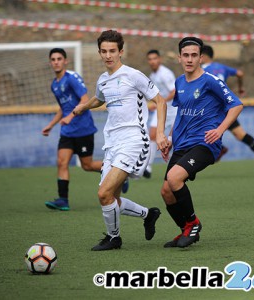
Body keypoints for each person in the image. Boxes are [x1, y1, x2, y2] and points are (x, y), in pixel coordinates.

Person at [72, 30, 169, 251]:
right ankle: (148, 214)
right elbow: (99, 98)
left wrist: (161, 133)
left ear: (121, 52)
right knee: (111, 199)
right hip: (112, 143)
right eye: (104, 51)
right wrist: (84, 106)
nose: (108, 55)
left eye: (112, 51)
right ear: (99, 53)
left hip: (134, 140)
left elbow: (160, 101)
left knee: (103, 193)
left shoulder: (133, 75)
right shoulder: (103, 80)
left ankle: (113, 238)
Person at [160, 37, 243, 248]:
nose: (189, 59)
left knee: (174, 177)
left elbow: (236, 105)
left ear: (201, 58)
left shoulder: (210, 80)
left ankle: (193, 223)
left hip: (205, 144)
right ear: (179, 58)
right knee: (167, 191)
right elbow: (180, 115)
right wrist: (170, 138)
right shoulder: (179, 82)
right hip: (181, 143)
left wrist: (220, 129)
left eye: (194, 55)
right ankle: (185, 230)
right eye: (185, 55)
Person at [42, 48, 104, 211]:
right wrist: (51, 124)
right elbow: (63, 108)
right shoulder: (54, 85)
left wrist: (70, 117)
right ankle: (63, 200)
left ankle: (116, 173)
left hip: (83, 129)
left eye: (59, 59)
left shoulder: (72, 78)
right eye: (53, 59)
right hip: (67, 132)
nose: (56, 62)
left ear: (65, 61)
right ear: (50, 63)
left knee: (87, 165)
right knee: (61, 162)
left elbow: (85, 99)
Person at [201, 45, 254, 175]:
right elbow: (240, 73)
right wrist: (241, 88)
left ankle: (220, 149)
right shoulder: (222, 67)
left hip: (213, 110)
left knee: (200, 131)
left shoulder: (202, 70)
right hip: (227, 108)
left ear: (203, 56)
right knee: (241, 135)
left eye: (198, 56)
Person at [144, 49, 177, 178]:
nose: (152, 61)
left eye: (155, 58)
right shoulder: (152, 75)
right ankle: (148, 167)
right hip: (161, 109)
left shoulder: (165, 74)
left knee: (175, 139)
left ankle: (178, 167)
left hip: (173, 110)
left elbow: (174, 91)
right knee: (152, 134)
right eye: (150, 59)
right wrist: (155, 103)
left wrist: (160, 102)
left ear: (160, 59)